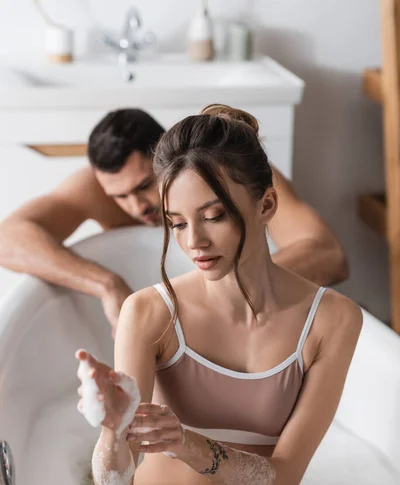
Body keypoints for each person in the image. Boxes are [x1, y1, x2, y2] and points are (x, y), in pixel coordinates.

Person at [76, 105, 362, 485]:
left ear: (266, 205)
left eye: (214, 216)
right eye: (176, 224)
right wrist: (113, 432)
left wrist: (186, 443)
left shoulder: (331, 321)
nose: (195, 242)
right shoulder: (150, 312)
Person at [0, 109, 348, 337]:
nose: (136, 207)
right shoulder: (95, 189)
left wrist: (216, 292)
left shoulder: (232, 175)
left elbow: (328, 254)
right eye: (118, 196)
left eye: (142, 186)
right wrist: (106, 285)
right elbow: (8, 238)